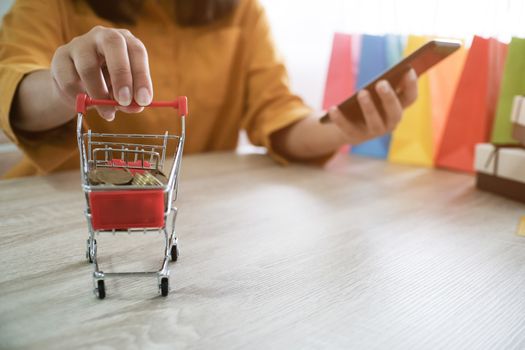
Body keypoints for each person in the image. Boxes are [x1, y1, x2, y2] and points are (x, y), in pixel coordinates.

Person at [0, 0, 418, 178]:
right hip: (55, 212)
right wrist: (65, 86)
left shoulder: (244, 12)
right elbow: (12, 87)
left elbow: (276, 113)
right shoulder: (52, 5)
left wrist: (343, 128)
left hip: (186, 215)